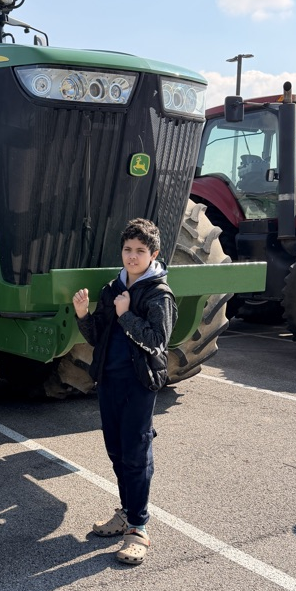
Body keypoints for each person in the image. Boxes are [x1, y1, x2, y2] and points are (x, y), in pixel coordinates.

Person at [72, 218, 177, 566]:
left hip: (138, 383)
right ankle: (126, 511)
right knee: (116, 450)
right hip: (109, 380)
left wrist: (126, 314)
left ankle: (138, 528)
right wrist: (83, 315)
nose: (133, 256)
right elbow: (98, 337)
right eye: (128, 249)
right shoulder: (112, 289)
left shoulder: (158, 294)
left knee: (136, 452)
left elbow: (157, 341)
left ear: (153, 254)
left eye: (140, 251)